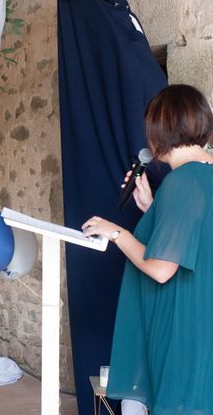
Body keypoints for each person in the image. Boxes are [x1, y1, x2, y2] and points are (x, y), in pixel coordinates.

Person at [82, 84, 213, 415]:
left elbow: (161, 268)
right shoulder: (203, 174)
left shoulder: (182, 182)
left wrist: (116, 232)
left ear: (159, 131)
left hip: (183, 324)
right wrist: (152, 208)